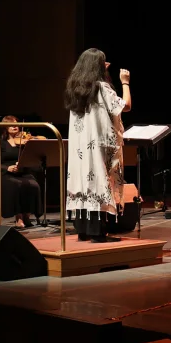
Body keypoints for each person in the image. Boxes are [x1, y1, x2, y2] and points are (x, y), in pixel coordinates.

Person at [63, 49, 131, 243]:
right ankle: (98, 233)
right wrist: (125, 82)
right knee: (99, 181)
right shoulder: (102, 87)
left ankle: (83, 230)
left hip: (80, 147)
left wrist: (103, 72)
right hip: (99, 145)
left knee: (84, 182)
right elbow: (125, 105)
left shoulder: (74, 88)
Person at [0, 115, 43, 228]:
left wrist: (24, 163)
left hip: (22, 172)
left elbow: (31, 158)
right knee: (16, 185)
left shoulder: (23, 143)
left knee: (34, 185)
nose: (15, 126)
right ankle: (19, 218)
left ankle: (27, 215)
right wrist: (7, 168)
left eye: (16, 124)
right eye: (11, 124)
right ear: (5, 128)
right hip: (4, 174)